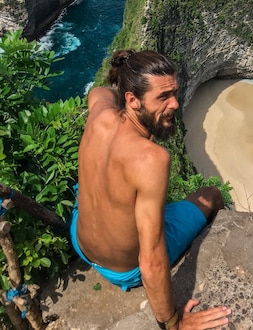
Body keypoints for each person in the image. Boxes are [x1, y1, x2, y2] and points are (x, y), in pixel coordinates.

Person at [70, 49, 231, 330]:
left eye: (174, 93)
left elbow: (99, 91)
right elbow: (152, 260)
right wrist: (173, 323)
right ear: (132, 100)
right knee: (212, 196)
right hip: (123, 271)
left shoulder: (100, 112)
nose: (175, 104)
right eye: (163, 97)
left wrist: (125, 76)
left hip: (81, 241)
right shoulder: (151, 159)